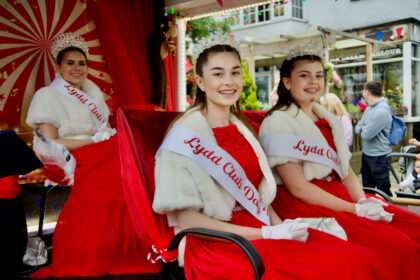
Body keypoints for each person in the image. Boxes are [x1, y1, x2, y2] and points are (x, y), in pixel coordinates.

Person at [152, 35, 393, 280]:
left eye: (235, 73)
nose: (228, 82)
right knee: (335, 268)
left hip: (262, 228)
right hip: (220, 243)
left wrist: (280, 227)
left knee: (360, 258)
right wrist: (268, 234)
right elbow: (189, 220)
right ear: (201, 82)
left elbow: (260, 198)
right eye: (217, 74)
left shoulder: (243, 130)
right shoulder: (183, 136)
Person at [259, 48, 420, 280]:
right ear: (286, 81)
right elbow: (297, 187)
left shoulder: (328, 118)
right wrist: (356, 209)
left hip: (342, 194)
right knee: (397, 246)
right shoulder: (277, 122)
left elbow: (345, 172)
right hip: (308, 202)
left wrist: (364, 201)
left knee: (411, 226)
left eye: (318, 75)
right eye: (304, 75)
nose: (313, 82)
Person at [26, 33, 153, 277]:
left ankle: (123, 245)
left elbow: (103, 132)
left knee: (130, 153)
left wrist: (102, 141)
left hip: (96, 153)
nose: (77, 68)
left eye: (82, 63)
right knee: (116, 160)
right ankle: (103, 247)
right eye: (70, 63)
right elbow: (49, 143)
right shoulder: (47, 95)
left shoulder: (93, 95)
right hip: (64, 157)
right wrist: (92, 142)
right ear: (58, 67)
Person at [0, 112, 43, 280]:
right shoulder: (7, 138)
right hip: (7, 198)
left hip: (9, 196)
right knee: (11, 241)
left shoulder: (7, 135)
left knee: (12, 241)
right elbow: (28, 162)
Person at [355, 81, 393, 196]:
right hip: (366, 155)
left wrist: (363, 129)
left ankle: (390, 212)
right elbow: (357, 129)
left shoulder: (382, 111)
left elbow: (366, 135)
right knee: (367, 189)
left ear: (367, 92)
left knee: (383, 191)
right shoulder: (369, 109)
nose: (362, 93)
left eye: (363, 91)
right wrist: (363, 128)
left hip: (379, 156)